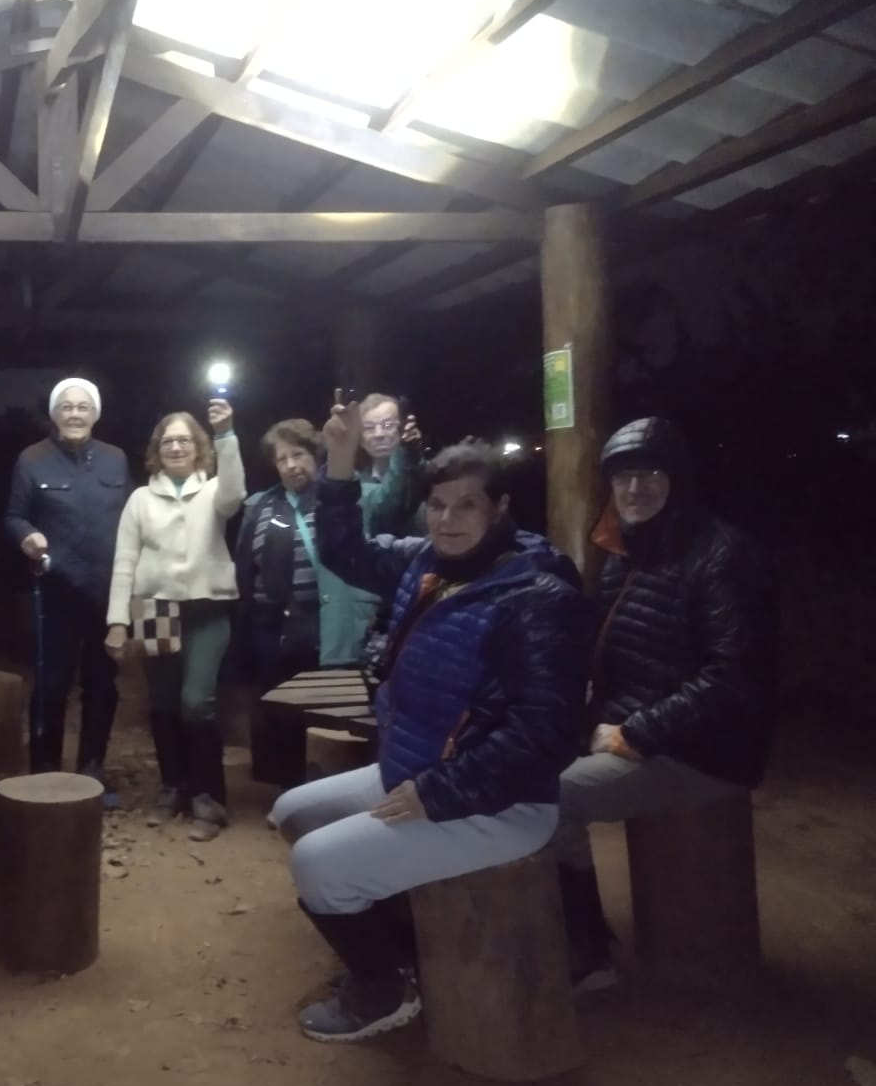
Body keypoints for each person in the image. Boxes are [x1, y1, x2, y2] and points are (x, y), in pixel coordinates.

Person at [268, 396, 592, 1044]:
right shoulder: (428, 563)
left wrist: (437, 792)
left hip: (498, 801)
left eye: (466, 505)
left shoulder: (536, 598)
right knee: (293, 811)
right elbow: (343, 550)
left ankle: (383, 990)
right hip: (415, 770)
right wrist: (339, 461)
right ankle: (405, 949)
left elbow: (546, 735)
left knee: (316, 865)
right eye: (438, 505)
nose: (447, 519)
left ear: (500, 508)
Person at [555, 417, 776, 991]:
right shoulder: (627, 551)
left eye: (651, 474)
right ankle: (560, 927)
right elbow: (619, 660)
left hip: (708, 750)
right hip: (647, 729)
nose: (635, 488)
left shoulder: (719, 555)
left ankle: (588, 952)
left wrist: (636, 732)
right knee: (518, 764)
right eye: (623, 476)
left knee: (554, 799)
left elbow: (734, 676)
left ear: (679, 480)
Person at [236, 416, 413, 791]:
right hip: (275, 628)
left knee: (331, 710)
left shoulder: (349, 495)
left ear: (315, 454)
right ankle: (286, 790)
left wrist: (405, 454)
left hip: (331, 622)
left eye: (298, 455)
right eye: (282, 459)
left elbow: (395, 495)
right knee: (279, 709)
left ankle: (334, 791)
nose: (290, 465)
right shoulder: (261, 504)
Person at [105, 401, 245, 841]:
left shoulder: (215, 490)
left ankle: (209, 797)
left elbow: (236, 495)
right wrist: (117, 621)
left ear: (198, 447)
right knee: (163, 701)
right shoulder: (141, 500)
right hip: (155, 609)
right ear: (157, 450)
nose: (177, 447)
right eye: (169, 441)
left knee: (196, 700)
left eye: (185, 440)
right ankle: (174, 787)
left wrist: (226, 434)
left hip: (207, 608)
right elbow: (124, 561)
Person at [4, 378, 130, 790]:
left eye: (83, 407)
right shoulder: (32, 459)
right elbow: (13, 517)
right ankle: (45, 770)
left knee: (102, 684)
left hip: (105, 593)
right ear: (55, 414)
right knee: (51, 684)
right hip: (55, 594)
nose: (75, 414)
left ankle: (92, 768)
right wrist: (26, 535)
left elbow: (132, 520)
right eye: (67, 407)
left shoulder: (116, 459)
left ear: (95, 414)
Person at [356, 393, 422, 538]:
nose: (378, 434)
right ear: (361, 440)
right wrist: (404, 451)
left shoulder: (425, 471)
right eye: (369, 428)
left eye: (388, 425)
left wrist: (411, 454)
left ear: (402, 429)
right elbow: (387, 506)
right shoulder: (357, 486)